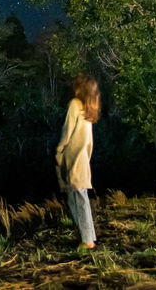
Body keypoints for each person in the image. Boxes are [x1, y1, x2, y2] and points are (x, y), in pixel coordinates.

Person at [55, 73, 101, 249]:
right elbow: (89, 141)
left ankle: (87, 240)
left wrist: (59, 150)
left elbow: (67, 132)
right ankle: (87, 237)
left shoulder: (75, 104)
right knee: (78, 197)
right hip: (82, 157)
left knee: (78, 198)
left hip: (72, 156)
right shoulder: (89, 108)